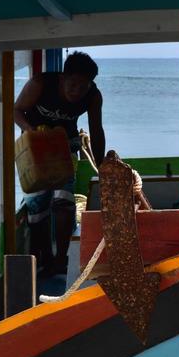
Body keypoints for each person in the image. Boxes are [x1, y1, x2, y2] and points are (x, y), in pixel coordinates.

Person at [14, 51, 105, 276]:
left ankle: (60, 258)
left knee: (63, 202)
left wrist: (102, 166)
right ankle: (44, 256)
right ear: (63, 78)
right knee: (37, 208)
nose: (77, 91)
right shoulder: (40, 83)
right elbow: (15, 110)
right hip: (34, 147)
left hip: (65, 146)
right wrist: (31, 130)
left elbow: (96, 130)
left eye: (83, 86)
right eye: (73, 84)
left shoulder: (93, 96)